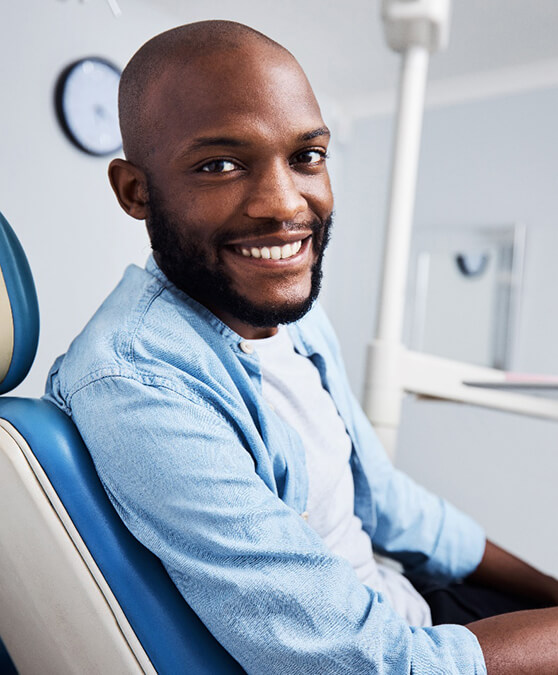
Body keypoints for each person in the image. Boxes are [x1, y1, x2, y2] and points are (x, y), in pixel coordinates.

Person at [45, 20, 558, 674]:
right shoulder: (137, 382)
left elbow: (391, 503)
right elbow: (369, 662)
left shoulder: (289, 315)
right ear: (135, 192)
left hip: (413, 608)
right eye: (220, 164)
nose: (284, 204)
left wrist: (548, 589)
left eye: (306, 156)